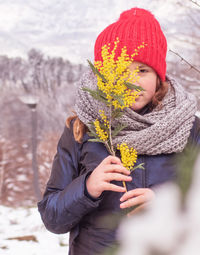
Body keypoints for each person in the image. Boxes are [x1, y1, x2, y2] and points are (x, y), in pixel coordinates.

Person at [38, 7, 200, 255]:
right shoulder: (81, 128)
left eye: (142, 70)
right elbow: (52, 217)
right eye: (120, 71)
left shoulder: (189, 127)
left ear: (159, 75)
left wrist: (168, 207)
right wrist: (87, 188)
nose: (131, 81)